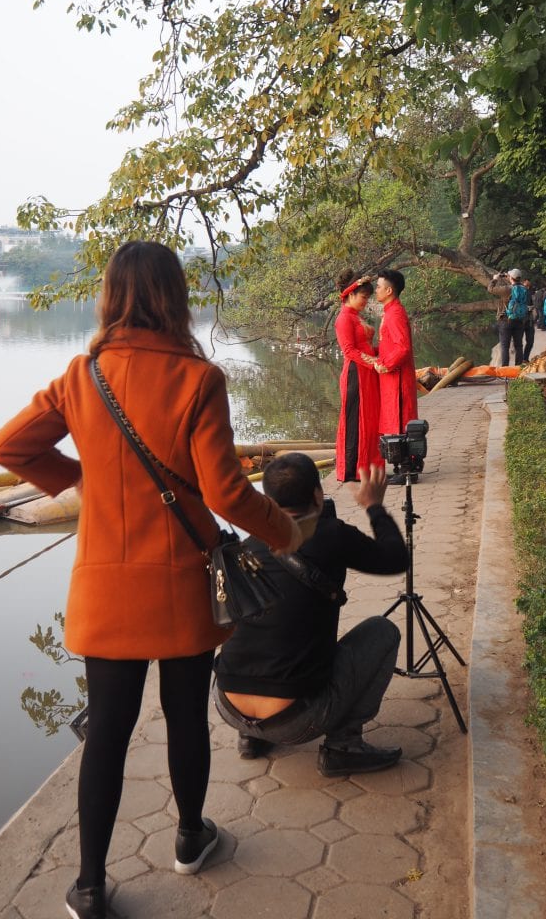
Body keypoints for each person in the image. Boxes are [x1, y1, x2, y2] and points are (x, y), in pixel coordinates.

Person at [0, 241, 302, 919]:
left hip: (104, 588)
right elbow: (224, 492)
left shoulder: (82, 374)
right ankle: (190, 838)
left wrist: (78, 481)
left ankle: (91, 885)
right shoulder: (198, 379)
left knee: (107, 728)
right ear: (174, 297)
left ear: (110, 295)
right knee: (186, 715)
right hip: (181, 583)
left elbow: (7, 447)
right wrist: (284, 529)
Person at [213, 454, 408, 776]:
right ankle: (343, 747)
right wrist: (373, 506)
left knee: (258, 632)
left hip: (227, 705)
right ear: (318, 495)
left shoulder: (246, 544)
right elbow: (396, 558)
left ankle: (250, 737)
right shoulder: (332, 535)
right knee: (382, 632)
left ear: (268, 501)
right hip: (297, 721)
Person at [362, 270, 418, 478]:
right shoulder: (391, 311)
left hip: (397, 377)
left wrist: (385, 364)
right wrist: (374, 354)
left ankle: (407, 469)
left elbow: (403, 348)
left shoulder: (395, 314)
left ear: (389, 290)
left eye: (378, 287)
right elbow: (391, 345)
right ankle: (403, 466)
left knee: (401, 421)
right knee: (396, 421)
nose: (375, 290)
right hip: (392, 377)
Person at [334, 269, 382, 483]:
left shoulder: (355, 317)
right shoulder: (344, 318)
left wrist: (383, 351)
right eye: (363, 297)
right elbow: (349, 351)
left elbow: (366, 346)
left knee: (369, 420)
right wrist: (374, 362)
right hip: (356, 373)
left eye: (367, 297)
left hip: (368, 373)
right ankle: (350, 471)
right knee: (354, 421)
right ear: (350, 295)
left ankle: (367, 466)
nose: (366, 301)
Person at [487, 267, 527, 366]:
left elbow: (490, 289)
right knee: (519, 345)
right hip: (520, 320)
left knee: (505, 346)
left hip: (506, 320)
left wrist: (495, 279)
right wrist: (508, 277)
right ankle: (518, 369)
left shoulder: (507, 289)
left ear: (511, 278)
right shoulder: (524, 288)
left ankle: (505, 369)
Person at [522, 279, 536, 362]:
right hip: (520, 320)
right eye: (526, 280)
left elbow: (534, 304)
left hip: (529, 320)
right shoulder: (516, 291)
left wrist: (531, 307)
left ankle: (525, 358)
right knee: (519, 342)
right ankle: (520, 360)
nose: (528, 282)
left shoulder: (530, 292)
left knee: (530, 341)